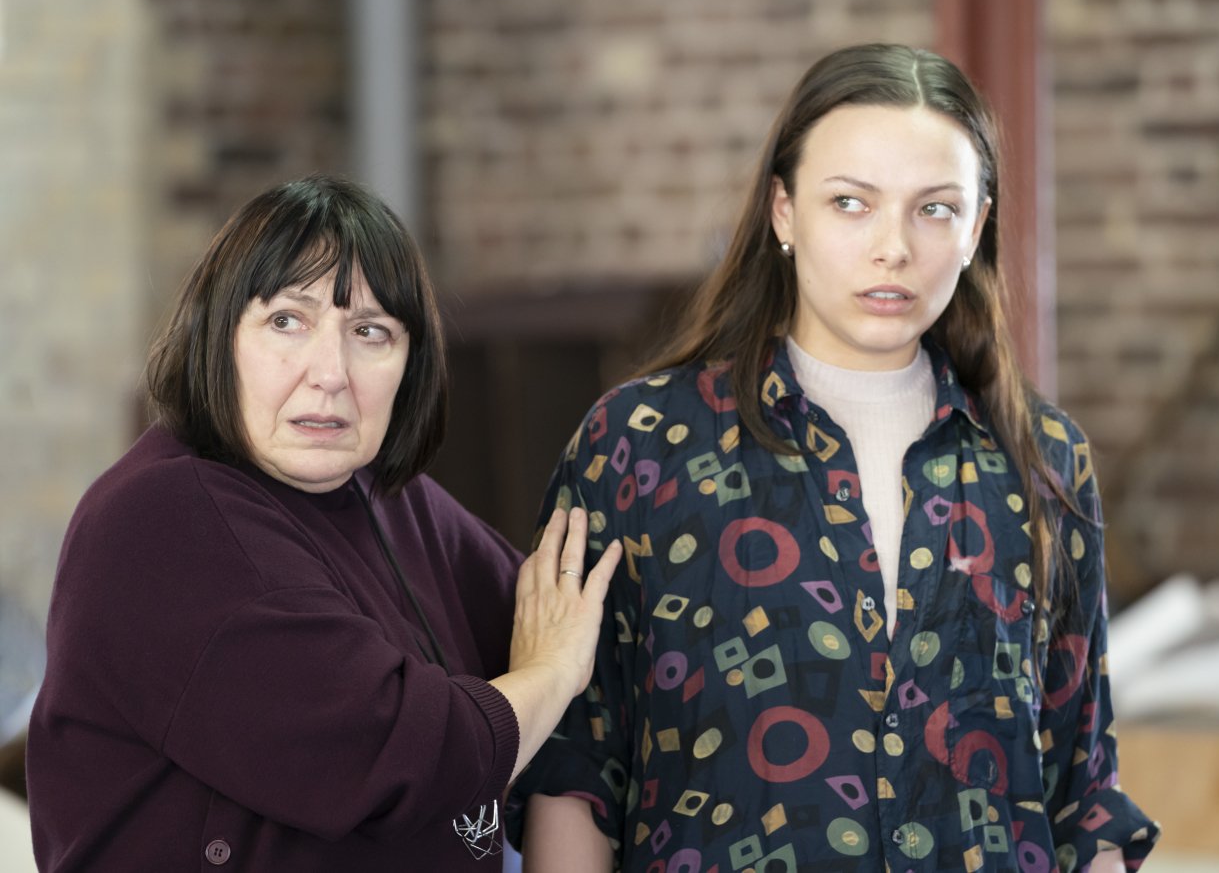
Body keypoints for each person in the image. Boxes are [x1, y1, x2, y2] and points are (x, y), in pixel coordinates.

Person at [508, 44, 1159, 872]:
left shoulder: (1044, 462)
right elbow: (576, 769)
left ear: (977, 227)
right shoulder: (641, 444)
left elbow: (1083, 791)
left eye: (935, 209)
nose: (893, 248)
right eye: (851, 203)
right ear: (783, 212)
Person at [26, 174, 621, 872]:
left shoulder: (391, 500)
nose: (331, 372)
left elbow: (575, 622)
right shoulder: (164, 520)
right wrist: (553, 672)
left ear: (411, 365)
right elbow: (396, 757)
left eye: (371, 333)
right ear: (218, 336)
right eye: (288, 320)